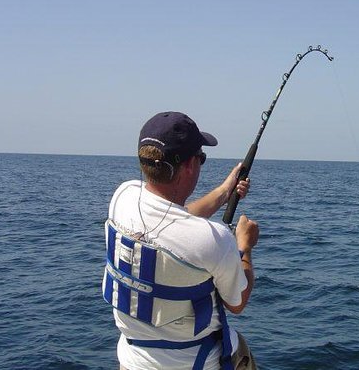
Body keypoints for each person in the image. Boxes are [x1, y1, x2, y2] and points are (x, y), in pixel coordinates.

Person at [102, 111, 260, 370]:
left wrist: (224, 191)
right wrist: (244, 246)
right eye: (202, 158)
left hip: (132, 361)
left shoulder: (122, 198)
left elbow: (175, 223)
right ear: (189, 165)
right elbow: (237, 303)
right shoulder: (215, 240)